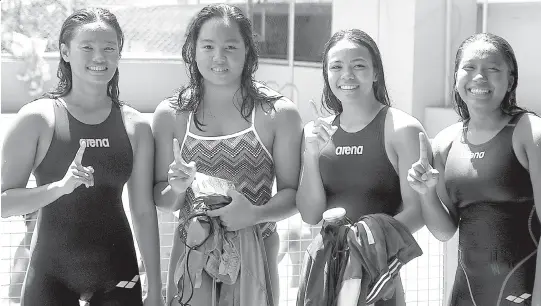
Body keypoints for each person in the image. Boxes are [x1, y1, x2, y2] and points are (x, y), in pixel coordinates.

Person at [0, 8, 164, 306]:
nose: (99, 57)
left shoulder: (135, 126)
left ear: (119, 54)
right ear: (64, 51)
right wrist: (58, 189)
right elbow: (3, 203)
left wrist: (155, 285)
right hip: (50, 277)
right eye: (86, 47)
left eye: (108, 48)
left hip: (118, 274)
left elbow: (142, 210)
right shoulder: (38, 119)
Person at [151, 4, 303, 305]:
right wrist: (177, 189)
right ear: (193, 50)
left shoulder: (276, 114)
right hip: (192, 254)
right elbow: (161, 197)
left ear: (248, 50)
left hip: (256, 253)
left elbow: (293, 194)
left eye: (230, 46)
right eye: (208, 46)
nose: (218, 57)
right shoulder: (172, 115)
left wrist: (255, 214)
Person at [407, 32, 541, 306]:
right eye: (469, 68)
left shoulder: (533, 136)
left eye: (492, 69)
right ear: (456, 77)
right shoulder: (445, 143)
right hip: (465, 294)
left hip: (525, 292)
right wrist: (426, 193)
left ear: (511, 80)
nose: (479, 77)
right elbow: (445, 231)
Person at [295, 28, 427, 305]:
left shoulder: (401, 129)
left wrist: (360, 245)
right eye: (336, 67)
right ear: (326, 74)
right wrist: (310, 154)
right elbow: (310, 214)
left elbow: (417, 212)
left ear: (376, 72)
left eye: (358, 66)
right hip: (326, 275)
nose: (347, 75)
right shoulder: (315, 133)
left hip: (378, 278)